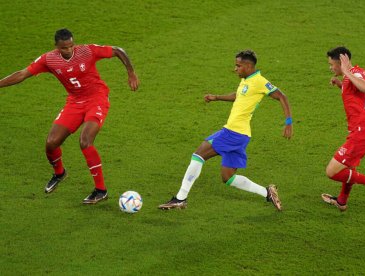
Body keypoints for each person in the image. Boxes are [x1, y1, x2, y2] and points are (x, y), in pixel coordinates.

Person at [0, 29, 139, 204]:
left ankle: (100, 190)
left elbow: (118, 51)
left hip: (97, 98)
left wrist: (131, 72)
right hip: (74, 102)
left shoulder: (86, 51)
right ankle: (59, 173)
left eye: (71, 45)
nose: (69, 50)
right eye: (64, 48)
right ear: (57, 47)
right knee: (51, 143)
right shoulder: (49, 60)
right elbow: (22, 74)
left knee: (85, 140)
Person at [159, 50, 293, 211]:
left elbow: (282, 96)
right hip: (241, 135)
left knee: (198, 155)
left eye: (238, 65)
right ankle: (267, 192)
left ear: (249, 66)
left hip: (233, 132)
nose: (235, 69)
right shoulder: (246, 80)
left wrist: (288, 123)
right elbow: (238, 95)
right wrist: (216, 97)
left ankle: (180, 199)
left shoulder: (259, 81)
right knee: (228, 177)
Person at [322, 46, 365, 211]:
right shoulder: (359, 72)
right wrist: (341, 84)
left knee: (332, 171)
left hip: (361, 132)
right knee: (348, 167)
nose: (330, 68)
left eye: (332, 64)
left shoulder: (353, 74)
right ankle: (342, 201)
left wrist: (347, 72)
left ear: (341, 63)